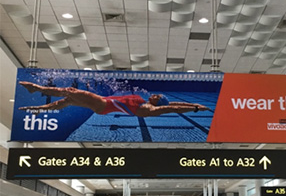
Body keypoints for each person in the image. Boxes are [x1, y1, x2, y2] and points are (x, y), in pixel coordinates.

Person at [18, 81, 210, 116]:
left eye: (157, 96)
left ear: (158, 102)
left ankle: (38, 88)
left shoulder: (152, 109)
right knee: (66, 101)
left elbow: (172, 108)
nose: (154, 94)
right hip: (103, 104)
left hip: (104, 104)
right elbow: (174, 105)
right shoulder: (148, 104)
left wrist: (193, 109)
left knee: (71, 91)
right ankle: (39, 109)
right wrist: (194, 104)